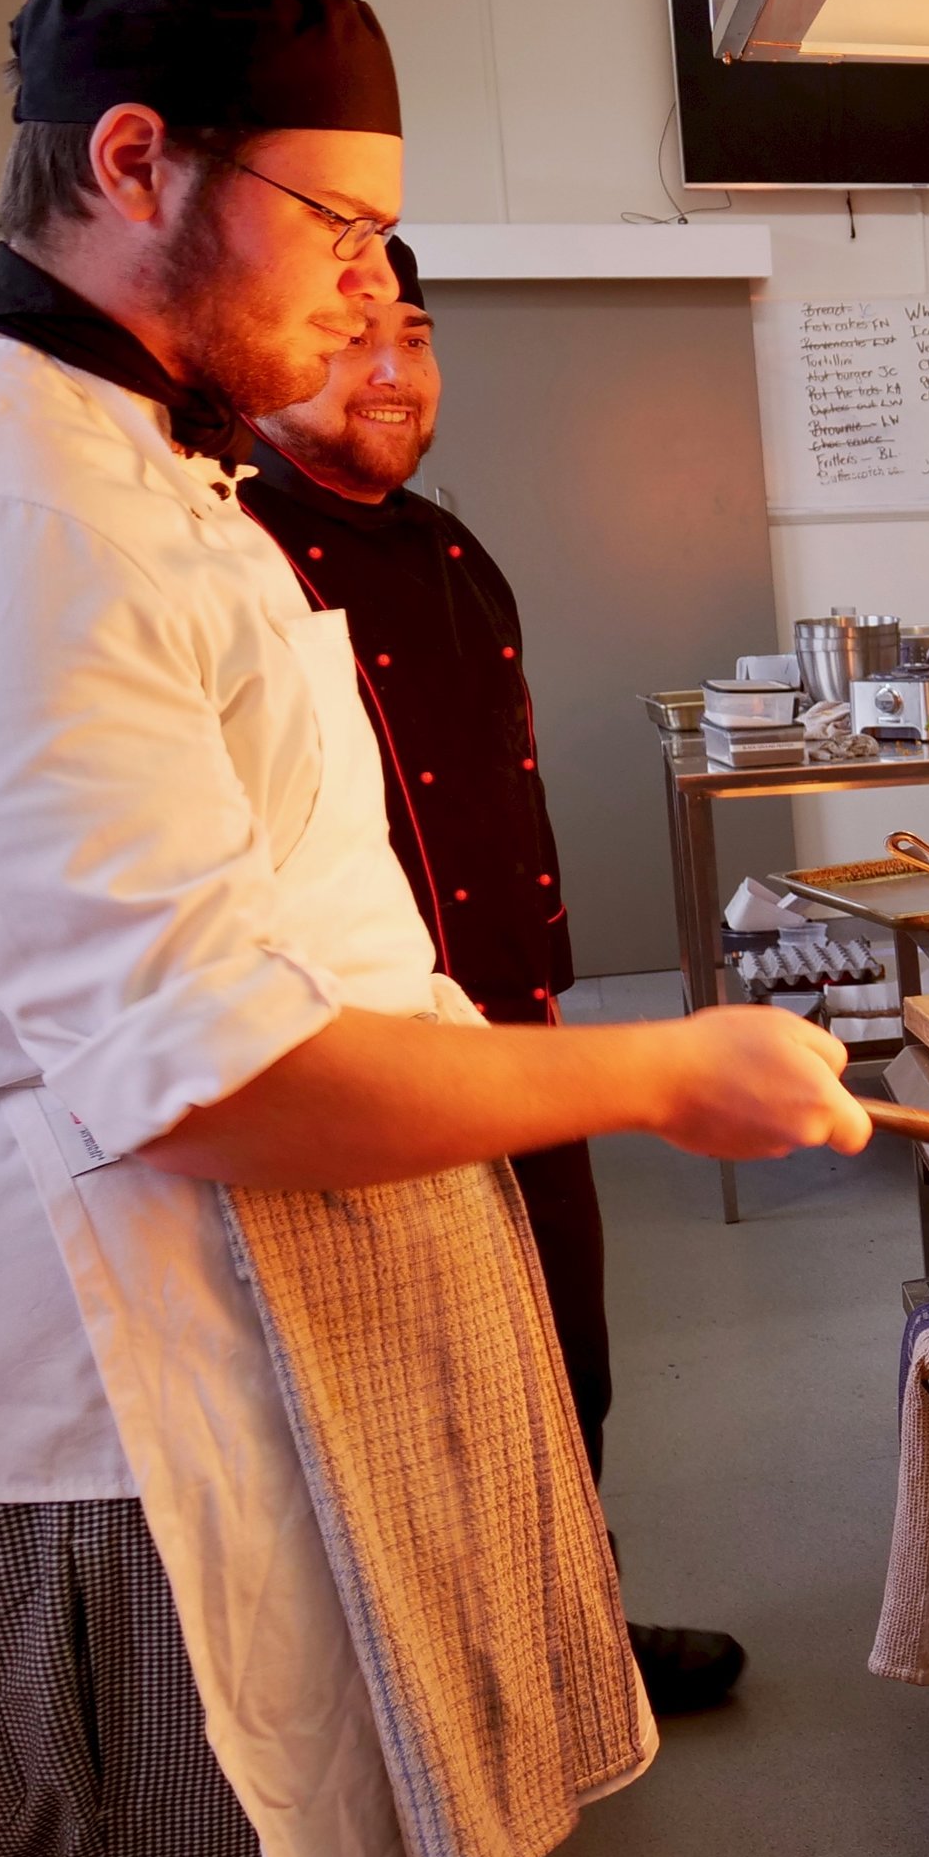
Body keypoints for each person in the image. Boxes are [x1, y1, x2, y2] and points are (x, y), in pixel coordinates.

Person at [0, 0, 867, 1857]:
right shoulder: (1, 517)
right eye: (340, 220)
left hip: (263, 1401)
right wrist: (659, 1068)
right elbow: (209, 1071)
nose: (376, 282)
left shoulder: (127, 468)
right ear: (136, 163)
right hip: (101, 1460)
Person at [240, 240, 743, 1714]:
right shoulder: (240, 560)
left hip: (516, 1037)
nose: (391, 371)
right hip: (366, 1061)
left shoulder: (452, 553)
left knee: (560, 1355)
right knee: (418, 1394)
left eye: (414, 335)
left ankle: (573, 1630)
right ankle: (446, 1691)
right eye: (350, 341)